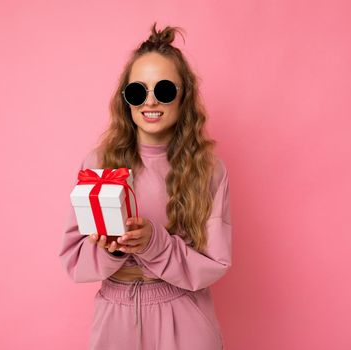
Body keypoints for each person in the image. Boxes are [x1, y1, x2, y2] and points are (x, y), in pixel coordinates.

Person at [58, 22, 232, 350]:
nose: (150, 102)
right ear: (126, 100)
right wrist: (112, 247)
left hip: (184, 315)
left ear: (184, 97)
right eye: (138, 91)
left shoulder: (209, 170)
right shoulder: (98, 163)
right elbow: (74, 259)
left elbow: (215, 263)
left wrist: (154, 242)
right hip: (115, 318)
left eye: (164, 90)